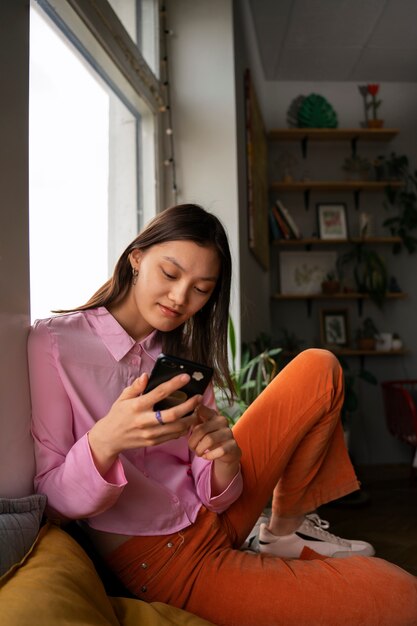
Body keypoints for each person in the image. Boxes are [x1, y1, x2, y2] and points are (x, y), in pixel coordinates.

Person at [28, 204, 417, 626]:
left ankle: (282, 532)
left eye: (202, 288)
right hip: (166, 560)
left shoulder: (182, 359)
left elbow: (218, 493)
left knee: (318, 367)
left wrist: (224, 459)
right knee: (399, 593)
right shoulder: (53, 344)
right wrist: (106, 441)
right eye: (171, 274)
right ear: (136, 257)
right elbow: (52, 501)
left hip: (213, 515)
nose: (180, 298)